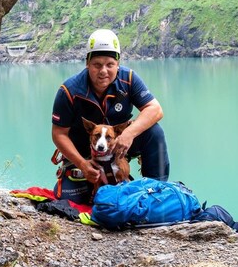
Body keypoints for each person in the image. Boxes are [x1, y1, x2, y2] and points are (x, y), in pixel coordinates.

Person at [51, 29, 170, 205]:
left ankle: (157, 191)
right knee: (71, 201)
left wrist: (128, 134)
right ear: (87, 63)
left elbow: (155, 110)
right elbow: (58, 134)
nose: (103, 71)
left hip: (119, 147)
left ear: (118, 64)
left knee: (154, 131)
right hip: (82, 154)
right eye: (97, 65)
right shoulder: (69, 90)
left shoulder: (128, 79)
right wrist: (82, 164)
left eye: (110, 64)